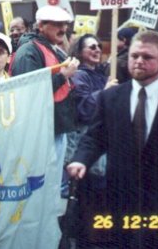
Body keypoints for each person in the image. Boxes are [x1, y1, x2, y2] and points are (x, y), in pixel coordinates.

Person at [67, 31, 158, 248]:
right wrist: (81, 159)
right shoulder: (111, 98)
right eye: (134, 56)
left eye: (147, 57)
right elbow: (95, 137)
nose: (138, 62)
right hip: (119, 197)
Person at [10, 5, 79, 170]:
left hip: (55, 128)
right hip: (42, 132)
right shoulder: (29, 52)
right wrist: (63, 76)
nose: (63, 29)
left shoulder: (51, 48)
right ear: (41, 25)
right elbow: (29, 92)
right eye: (57, 24)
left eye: (65, 24)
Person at [67, 34, 117, 247]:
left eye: (98, 45)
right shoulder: (79, 76)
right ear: (79, 52)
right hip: (88, 152)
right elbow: (84, 110)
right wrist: (105, 93)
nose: (97, 49)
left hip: (104, 152)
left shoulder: (101, 74)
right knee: (90, 204)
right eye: (91, 47)